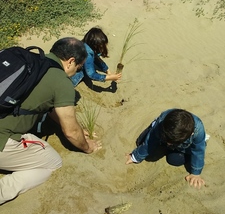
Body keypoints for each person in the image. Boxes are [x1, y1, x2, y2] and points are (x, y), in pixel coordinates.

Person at [0, 37, 102, 205]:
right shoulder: (62, 82)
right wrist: (87, 146)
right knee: (52, 163)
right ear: (71, 61)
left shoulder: (31, 60)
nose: (77, 72)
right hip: (3, 140)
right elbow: (71, 132)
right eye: (79, 67)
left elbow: (52, 110)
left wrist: (78, 128)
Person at [126, 108, 209, 189]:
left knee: (174, 160)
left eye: (171, 142)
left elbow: (198, 151)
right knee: (140, 142)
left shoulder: (198, 130)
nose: (169, 143)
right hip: (163, 132)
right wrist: (135, 157)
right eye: (168, 141)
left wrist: (196, 173)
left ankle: (172, 147)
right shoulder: (163, 120)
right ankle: (161, 136)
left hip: (182, 146)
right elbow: (150, 140)